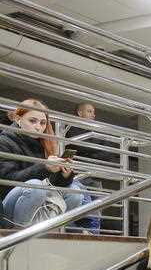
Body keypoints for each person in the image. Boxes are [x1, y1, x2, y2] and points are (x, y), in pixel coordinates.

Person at [0, 99, 98, 231]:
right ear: (18, 119)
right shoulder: (4, 141)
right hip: (9, 205)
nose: (38, 127)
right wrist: (45, 167)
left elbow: (51, 183)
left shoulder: (43, 143)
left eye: (43, 123)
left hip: (36, 202)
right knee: (35, 186)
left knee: (75, 192)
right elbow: (7, 181)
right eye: (32, 121)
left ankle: (46, 231)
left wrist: (64, 175)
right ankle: (19, 234)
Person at [65, 102, 118, 189]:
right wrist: (97, 153)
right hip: (76, 174)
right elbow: (80, 147)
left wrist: (91, 157)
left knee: (100, 201)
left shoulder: (96, 132)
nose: (93, 115)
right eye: (89, 111)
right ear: (80, 113)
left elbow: (109, 152)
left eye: (93, 112)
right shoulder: (70, 128)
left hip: (94, 175)